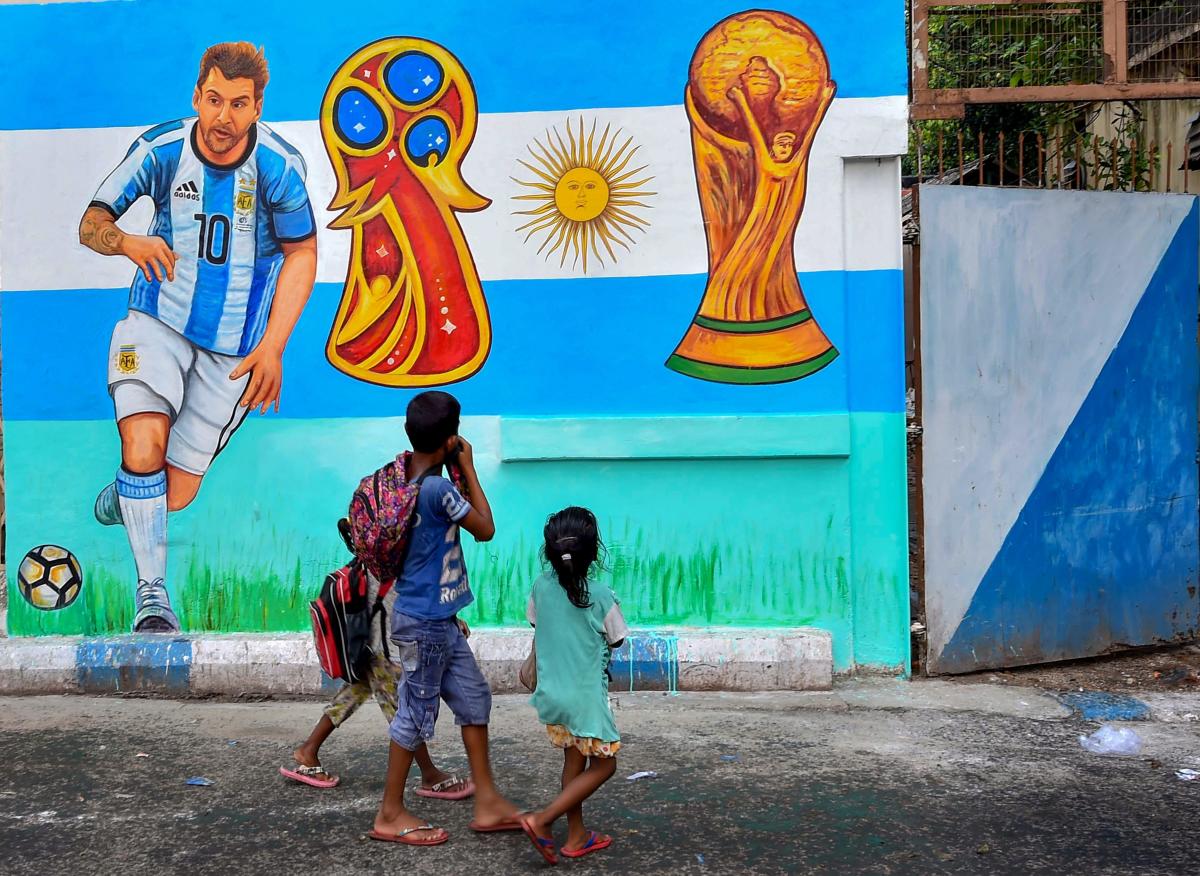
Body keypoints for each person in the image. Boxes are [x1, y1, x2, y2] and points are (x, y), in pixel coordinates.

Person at [78, 42, 318, 632]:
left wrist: (274, 346)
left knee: (173, 494)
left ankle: (126, 497)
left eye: (238, 104)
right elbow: (92, 223)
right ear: (197, 97)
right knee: (143, 445)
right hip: (155, 322)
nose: (223, 117)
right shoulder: (161, 150)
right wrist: (129, 242)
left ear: (257, 107)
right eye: (214, 100)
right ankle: (153, 597)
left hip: (233, 348)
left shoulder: (279, 168)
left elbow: (302, 252)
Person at [370, 391, 519, 846]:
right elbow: (486, 529)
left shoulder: (406, 475)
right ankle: (390, 813)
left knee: (474, 698)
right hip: (424, 622)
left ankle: (488, 799)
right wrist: (469, 466)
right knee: (414, 713)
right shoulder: (437, 489)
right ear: (451, 438)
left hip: (439, 619)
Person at [281, 519, 473, 799]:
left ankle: (308, 751)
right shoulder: (395, 567)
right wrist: (451, 622)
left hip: (365, 648)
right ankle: (430, 775)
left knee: (348, 698)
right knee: (405, 712)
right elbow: (416, 605)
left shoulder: (368, 561)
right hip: (384, 652)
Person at [519, 507, 629, 864]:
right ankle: (543, 820)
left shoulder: (540, 586)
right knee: (605, 765)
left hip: (553, 695)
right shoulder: (601, 595)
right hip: (585, 701)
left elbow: (537, 623)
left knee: (574, 760)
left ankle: (577, 835)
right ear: (594, 551)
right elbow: (617, 640)